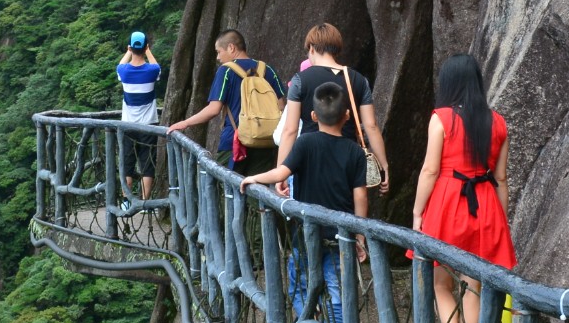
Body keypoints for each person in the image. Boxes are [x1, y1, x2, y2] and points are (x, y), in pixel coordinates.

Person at [241, 81, 367, 323]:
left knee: (299, 286)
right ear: (347, 116)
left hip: (305, 236)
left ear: (312, 114)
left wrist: (253, 178)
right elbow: (360, 198)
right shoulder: (355, 152)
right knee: (338, 297)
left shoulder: (305, 143)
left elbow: (282, 173)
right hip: (340, 236)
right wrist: (361, 236)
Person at [411, 53, 513, 323]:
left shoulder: (440, 118)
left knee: (441, 283)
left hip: (446, 203)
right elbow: (501, 179)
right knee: (474, 286)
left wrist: (417, 212)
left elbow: (429, 170)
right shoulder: (498, 122)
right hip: (484, 205)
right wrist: (500, 221)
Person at [277, 23, 391, 199]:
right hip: (347, 160)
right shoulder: (359, 80)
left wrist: (281, 172)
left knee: (309, 218)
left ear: (312, 48)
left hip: (310, 159)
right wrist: (384, 165)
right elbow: (371, 126)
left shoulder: (300, 80)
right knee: (345, 215)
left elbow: (290, 130)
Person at [166, 29, 285, 177]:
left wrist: (185, 123)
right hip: (265, 141)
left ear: (231, 48)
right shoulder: (267, 69)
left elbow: (214, 109)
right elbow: (280, 106)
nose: (218, 57)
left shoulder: (226, 71)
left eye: (219, 51)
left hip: (235, 142)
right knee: (258, 191)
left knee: (222, 186)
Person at [115, 31, 161, 200]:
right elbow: (157, 66)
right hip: (149, 125)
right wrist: (148, 51)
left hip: (128, 125)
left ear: (130, 48)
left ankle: (126, 200)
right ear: (146, 47)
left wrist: (128, 51)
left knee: (127, 163)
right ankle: (144, 202)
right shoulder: (152, 70)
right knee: (147, 163)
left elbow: (120, 64)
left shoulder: (123, 71)